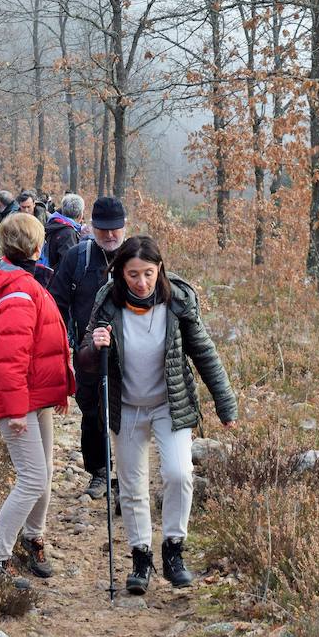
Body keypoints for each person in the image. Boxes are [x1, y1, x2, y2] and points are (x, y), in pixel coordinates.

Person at [79, 235, 238, 596]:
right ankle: (140, 556)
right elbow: (85, 359)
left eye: (148, 273)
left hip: (171, 403)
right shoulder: (108, 304)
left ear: (159, 269)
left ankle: (173, 550)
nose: (142, 282)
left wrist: (225, 404)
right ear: (120, 273)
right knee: (133, 487)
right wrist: (96, 347)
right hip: (128, 406)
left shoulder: (178, 301)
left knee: (179, 474)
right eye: (133, 274)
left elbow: (205, 353)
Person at [0, 213, 76, 583]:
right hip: (19, 400)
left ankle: (33, 538)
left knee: (44, 473)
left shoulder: (24, 282)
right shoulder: (18, 292)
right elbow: (9, 360)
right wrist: (17, 412)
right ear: (36, 246)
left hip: (35, 396)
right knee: (32, 478)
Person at [49, 195, 127, 499]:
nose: (110, 235)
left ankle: (127, 477)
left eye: (115, 229)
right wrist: (65, 342)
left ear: (124, 227)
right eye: (103, 228)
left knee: (126, 414)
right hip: (87, 352)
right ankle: (99, 472)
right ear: (92, 226)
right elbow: (56, 301)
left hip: (129, 353)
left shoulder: (136, 257)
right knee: (92, 411)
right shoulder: (77, 257)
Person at [43, 192, 85, 271]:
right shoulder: (68, 233)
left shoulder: (55, 224)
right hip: (58, 280)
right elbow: (69, 264)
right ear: (80, 215)